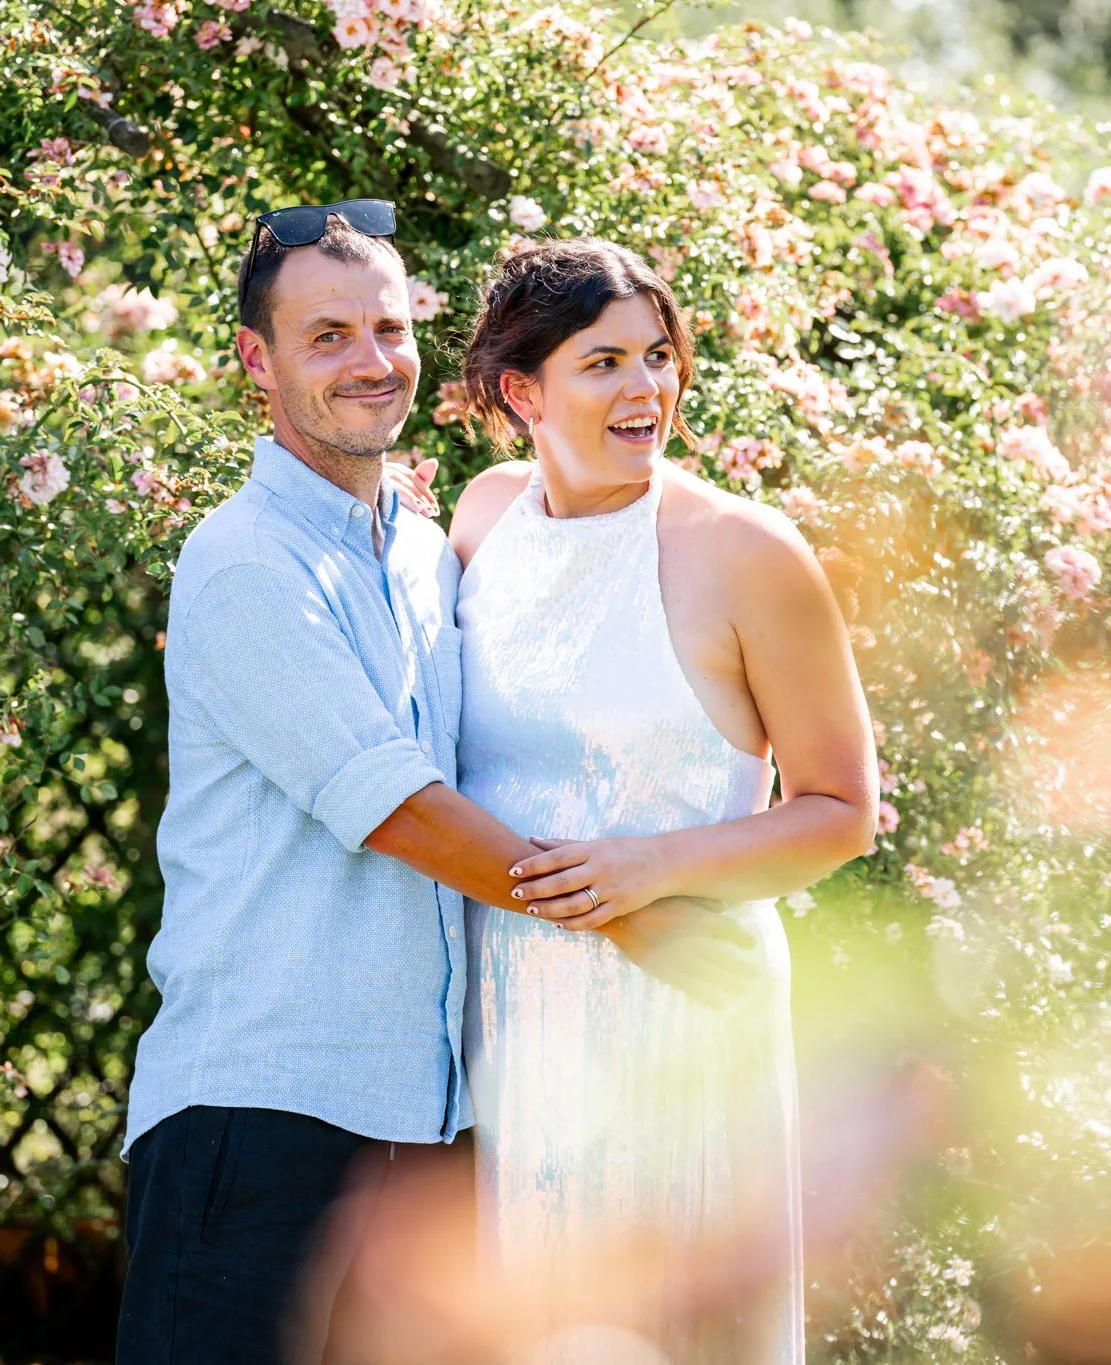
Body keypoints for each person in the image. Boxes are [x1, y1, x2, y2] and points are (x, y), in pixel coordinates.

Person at [117, 204, 750, 1365]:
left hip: (431, 1123)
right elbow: (401, 809)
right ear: (256, 360)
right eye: (328, 337)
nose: (371, 361)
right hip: (259, 1115)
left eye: (390, 329)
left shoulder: (424, 553)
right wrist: (631, 919)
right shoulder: (243, 562)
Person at [442, 238, 878, 1359]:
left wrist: (652, 866)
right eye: (603, 365)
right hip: (517, 1010)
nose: (645, 390)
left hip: (687, 998)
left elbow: (840, 810)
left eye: (657, 357)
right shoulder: (483, 523)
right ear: (519, 391)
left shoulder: (742, 551)